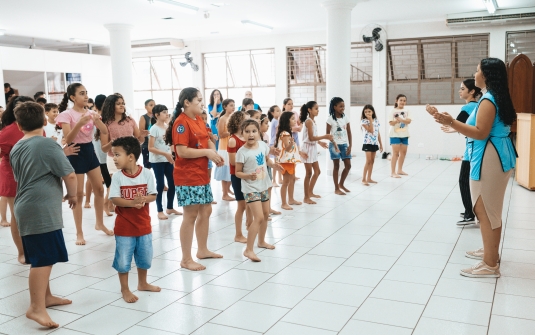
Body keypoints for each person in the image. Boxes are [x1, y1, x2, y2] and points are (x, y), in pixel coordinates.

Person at [431, 58, 517, 278]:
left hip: (490, 156)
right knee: (487, 209)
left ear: (486, 75)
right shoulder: (495, 96)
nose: (475, 74)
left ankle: (490, 264)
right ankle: (490, 253)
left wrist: (451, 122)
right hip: (495, 154)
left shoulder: (488, 99)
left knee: (486, 210)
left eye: (477, 70)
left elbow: (480, 132)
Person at [10, 101, 77, 328]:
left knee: (41, 256)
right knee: (43, 260)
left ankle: (45, 298)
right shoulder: (48, 145)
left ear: (19, 125)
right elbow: (69, 174)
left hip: (26, 206)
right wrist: (73, 196)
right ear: (44, 120)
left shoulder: (18, 145)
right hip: (39, 209)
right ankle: (35, 308)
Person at [167, 87, 224, 271]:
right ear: (187, 103)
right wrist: (207, 152)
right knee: (190, 215)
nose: (201, 103)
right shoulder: (181, 123)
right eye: (198, 100)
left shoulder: (198, 119)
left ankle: (203, 249)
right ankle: (185, 259)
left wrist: (213, 153)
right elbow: (181, 151)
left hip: (201, 174)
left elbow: (206, 138)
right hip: (187, 176)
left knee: (205, 211)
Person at [56, 83, 114, 245]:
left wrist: (97, 120)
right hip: (75, 153)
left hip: (90, 152)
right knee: (78, 195)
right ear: (73, 97)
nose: (86, 96)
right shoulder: (67, 115)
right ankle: (79, 233)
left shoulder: (91, 113)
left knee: (100, 189)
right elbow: (67, 139)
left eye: (86, 93)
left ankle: (99, 223)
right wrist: (80, 124)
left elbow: (104, 131)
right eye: (82, 93)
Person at [109, 136, 161, 303]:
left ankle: (143, 283)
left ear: (130, 156)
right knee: (123, 260)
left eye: (117, 155)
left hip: (144, 225)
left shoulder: (146, 173)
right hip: (124, 227)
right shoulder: (117, 177)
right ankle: (125, 289)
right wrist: (132, 203)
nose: (114, 159)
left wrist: (144, 199)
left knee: (144, 257)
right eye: (113, 155)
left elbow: (153, 195)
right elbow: (115, 199)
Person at [428, 79, 481, 226]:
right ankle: (470, 210)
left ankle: (470, 214)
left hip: (472, 150)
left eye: (463, 88)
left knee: (463, 181)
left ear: (472, 92)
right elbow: (459, 125)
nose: (460, 90)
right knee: (470, 182)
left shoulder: (468, 108)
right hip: (474, 147)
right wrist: (452, 127)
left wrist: (436, 114)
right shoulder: (477, 106)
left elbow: (455, 123)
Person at [236, 119, 280, 261]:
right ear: (242, 133)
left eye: (254, 131)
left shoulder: (262, 145)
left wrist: (274, 165)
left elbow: (267, 160)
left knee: (266, 214)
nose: (251, 134)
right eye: (247, 131)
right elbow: (237, 172)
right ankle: (249, 249)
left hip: (263, 185)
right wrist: (247, 175)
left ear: (258, 133)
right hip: (250, 188)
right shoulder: (241, 152)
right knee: (259, 217)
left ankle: (261, 241)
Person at [0, 96, 35, 262]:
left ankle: (32, 248)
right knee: (17, 215)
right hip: (13, 175)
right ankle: (21, 252)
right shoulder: (6, 132)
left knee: (31, 215)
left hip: (33, 175)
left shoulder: (38, 127)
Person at [148, 104, 182, 220]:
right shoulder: (154, 128)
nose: (167, 114)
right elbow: (150, 148)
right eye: (164, 112)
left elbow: (170, 144)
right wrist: (165, 154)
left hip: (168, 160)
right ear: (157, 115)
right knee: (160, 185)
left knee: (172, 184)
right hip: (157, 161)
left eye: (167, 111)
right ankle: (159, 210)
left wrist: (173, 155)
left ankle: (170, 207)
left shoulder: (168, 127)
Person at [300, 101, 332, 204]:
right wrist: (325, 136)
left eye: (318, 108)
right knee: (308, 173)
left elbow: (313, 137)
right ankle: (306, 197)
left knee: (317, 172)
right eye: (316, 108)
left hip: (312, 148)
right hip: (307, 149)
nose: (318, 110)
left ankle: (310, 192)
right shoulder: (308, 121)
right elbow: (310, 137)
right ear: (309, 110)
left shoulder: (313, 122)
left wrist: (320, 142)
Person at [227, 111, 250, 243]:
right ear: (237, 122)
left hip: (247, 175)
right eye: (245, 120)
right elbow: (233, 162)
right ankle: (238, 234)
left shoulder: (247, 138)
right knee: (241, 205)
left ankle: (249, 227)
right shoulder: (232, 140)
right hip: (238, 176)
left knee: (250, 204)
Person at [89, 94, 113, 216]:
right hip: (103, 154)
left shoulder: (96, 117)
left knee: (110, 181)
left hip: (101, 154)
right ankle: (106, 203)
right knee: (110, 182)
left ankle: (109, 204)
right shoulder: (97, 118)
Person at [277, 111, 303, 210]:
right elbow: (287, 148)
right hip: (286, 161)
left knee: (291, 180)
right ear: (286, 121)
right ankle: (284, 203)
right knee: (286, 182)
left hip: (290, 161)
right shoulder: (285, 133)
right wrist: (292, 142)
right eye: (292, 118)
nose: (295, 120)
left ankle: (291, 199)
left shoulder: (288, 132)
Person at [326, 97, 352, 195]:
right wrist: (335, 144)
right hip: (334, 145)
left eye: (343, 106)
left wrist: (350, 146)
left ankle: (341, 184)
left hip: (344, 144)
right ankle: (336, 188)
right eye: (340, 106)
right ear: (335, 107)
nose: (343, 108)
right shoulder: (330, 119)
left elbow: (349, 132)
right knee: (336, 166)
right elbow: (327, 135)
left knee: (348, 165)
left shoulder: (345, 117)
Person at [260, 114, 281, 218]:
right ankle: (263, 211)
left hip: (267, 164)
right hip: (261, 165)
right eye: (266, 123)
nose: (268, 126)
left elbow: (267, 151)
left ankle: (268, 208)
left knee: (269, 187)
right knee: (262, 189)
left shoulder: (266, 136)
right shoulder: (257, 137)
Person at [214, 99, 235, 201]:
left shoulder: (233, 118)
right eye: (231, 105)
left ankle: (227, 190)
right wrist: (231, 131)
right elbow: (221, 134)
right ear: (225, 107)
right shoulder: (222, 119)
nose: (233, 107)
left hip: (232, 146)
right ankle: (225, 194)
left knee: (231, 170)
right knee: (225, 170)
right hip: (224, 147)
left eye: (234, 105)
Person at [389, 94, 412, 178]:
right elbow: (391, 123)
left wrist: (401, 119)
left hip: (405, 134)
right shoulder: (392, 111)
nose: (402, 102)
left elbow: (409, 121)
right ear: (397, 101)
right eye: (401, 100)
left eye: (404, 100)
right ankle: (392, 172)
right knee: (395, 153)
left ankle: (399, 170)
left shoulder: (407, 110)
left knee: (403, 153)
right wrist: (396, 121)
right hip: (394, 134)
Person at [361, 104, 383, 186]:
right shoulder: (363, 121)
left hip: (374, 143)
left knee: (372, 161)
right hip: (367, 143)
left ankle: (369, 178)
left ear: (373, 112)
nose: (367, 113)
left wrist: (380, 144)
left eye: (369, 111)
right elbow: (370, 130)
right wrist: (370, 120)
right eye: (366, 111)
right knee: (368, 161)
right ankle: (363, 179)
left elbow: (377, 133)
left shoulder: (376, 121)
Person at [201, 110, 218, 204]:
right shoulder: (197, 128)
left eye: (205, 118)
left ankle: (208, 197)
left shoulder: (208, 127)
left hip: (209, 156)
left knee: (208, 177)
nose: (204, 120)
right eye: (201, 118)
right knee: (202, 178)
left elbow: (213, 144)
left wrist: (211, 137)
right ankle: (203, 197)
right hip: (201, 156)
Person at [268, 105, 282, 186]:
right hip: (274, 143)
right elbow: (278, 132)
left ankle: (280, 179)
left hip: (277, 142)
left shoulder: (276, 120)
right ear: (272, 113)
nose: (279, 112)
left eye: (279, 110)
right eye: (277, 111)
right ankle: (274, 181)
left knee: (279, 161)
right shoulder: (275, 121)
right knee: (276, 162)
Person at [139, 99, 155, 170]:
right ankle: (147, 181)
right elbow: (141, 132)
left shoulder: (157, 116)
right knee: (148, 167)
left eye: (154, 105)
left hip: (156, 145)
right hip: (146, 145)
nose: (153, 107)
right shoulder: (143, 117)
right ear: (146, 107)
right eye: (151, 105)